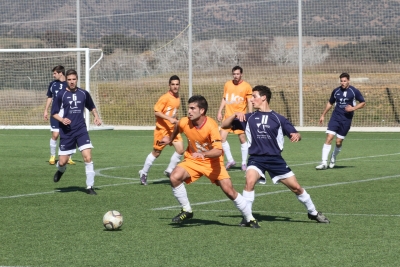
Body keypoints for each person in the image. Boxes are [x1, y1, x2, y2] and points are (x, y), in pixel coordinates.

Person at [221, 85, 330, 224]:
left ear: (264, 97)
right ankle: (247, 216)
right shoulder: (248, 118)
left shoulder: (279, 118)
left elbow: (295, 133)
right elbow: (224, 125)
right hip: (256, 159)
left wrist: (297, 135)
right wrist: (234, 114)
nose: (251, 100)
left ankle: (313, 212)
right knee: (249, 182)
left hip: (275, 160)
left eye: (254, 96)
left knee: (296, 188)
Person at [161, 95, 259, 228]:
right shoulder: (185, 121)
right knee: (174, 177)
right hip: (193, 160)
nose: (189, 111)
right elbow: (178, 126)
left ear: (202, 111)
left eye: (192, 108)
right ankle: (187, 210)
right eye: (189, 108)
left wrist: (203, 154)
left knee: (229, 191)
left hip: (213, 163)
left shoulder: (211, 125)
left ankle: (250, 218)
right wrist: (171, 139)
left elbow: (218, 151)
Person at [51, 69, 102, 195]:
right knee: (62, 161)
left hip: (81, 130)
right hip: (67, 132)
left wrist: (96, 116)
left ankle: (90, 187)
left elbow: (91, 106)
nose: (72, 82)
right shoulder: (61, 95)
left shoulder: (84, 93)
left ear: (77, 79)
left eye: (74, 79)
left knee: (88, 157)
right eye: (69, 80)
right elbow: (54, 114)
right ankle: (60, 170)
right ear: (66, 80)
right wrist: (62, 120)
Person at [138, 75, 184, 185]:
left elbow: (172, 112)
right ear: (169, 85)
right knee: (156, 153)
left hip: (172, 129)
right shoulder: (165, 98)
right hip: (162, 130)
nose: (175, 86)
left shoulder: (177, 98)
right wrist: (169, 119)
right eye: (173, 84)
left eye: (177, 84)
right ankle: (144, 172)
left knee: (180, 150)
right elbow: (156, 112)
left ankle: (169, 170)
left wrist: (176, 121)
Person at [315, 73, 366, 170]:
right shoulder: (336, 91)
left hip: (346, 120)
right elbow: (330, 102)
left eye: (344, 81)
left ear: (348, 81)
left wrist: (353, 108)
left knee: (338, 142)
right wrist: (323, 114)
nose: (343, 83)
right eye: (341, 81)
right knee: (329, 137)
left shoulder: (354, 91)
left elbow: (363, 103)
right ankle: (323, 162)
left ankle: (333, 157)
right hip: (335, 117)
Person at [217, 66, 252, 171]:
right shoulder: (228, 84)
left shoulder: (246, 86)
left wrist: (249, 115)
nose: (236, 76)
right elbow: (225, 99)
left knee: (242, 139)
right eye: (234, 74)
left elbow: (249, 101)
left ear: (241, 74)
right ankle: (231, 160)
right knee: (221, 138)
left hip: (240, 117)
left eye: (237, 74)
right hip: (228, 116)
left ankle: (244, 163)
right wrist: (219, 112)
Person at [44, 65, 75, 165]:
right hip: (55, 113)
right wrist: (45, 110)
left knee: (69, 135)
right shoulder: (52, 84)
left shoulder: (69, 83)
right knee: (55, 135)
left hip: (67, 112)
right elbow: (49, 97)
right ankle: (52, 156)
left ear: (60, 73)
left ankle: (69, 157)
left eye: (55, 73)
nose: (53, 75)